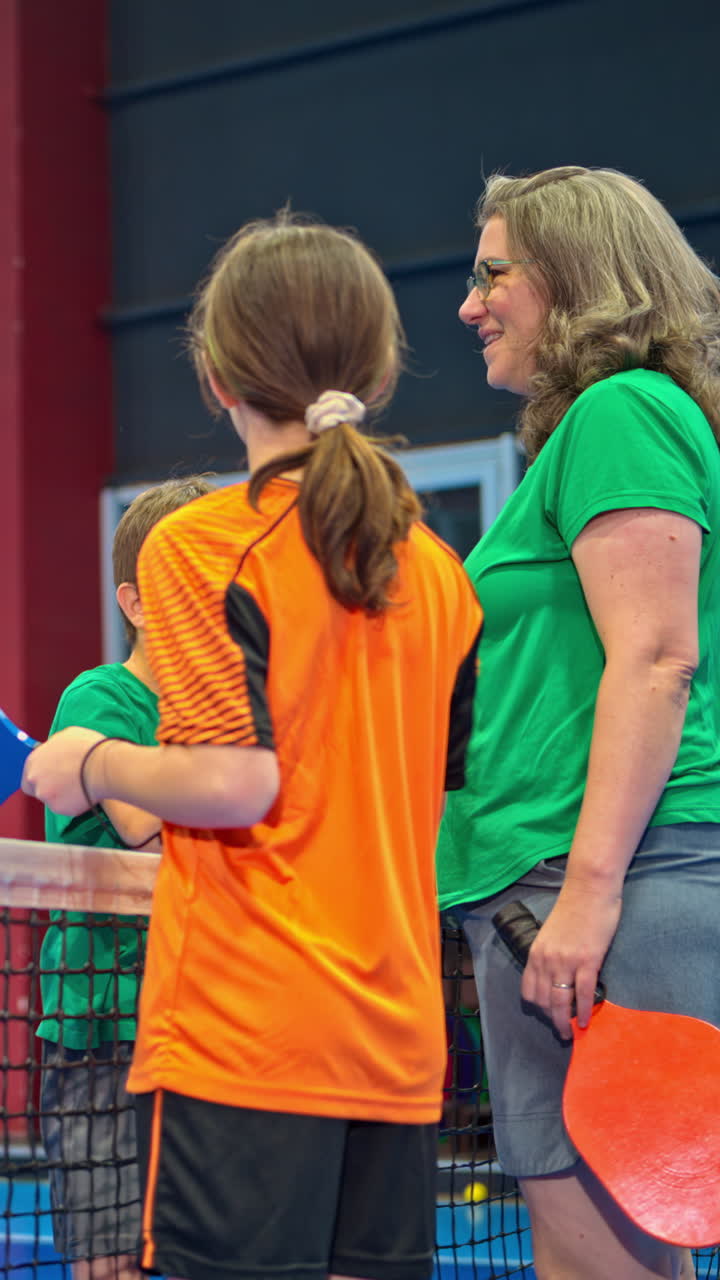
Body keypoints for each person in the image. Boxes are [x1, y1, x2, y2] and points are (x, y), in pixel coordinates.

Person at [24, 210, 484, 1280]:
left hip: (249, 1036)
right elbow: (435, 792)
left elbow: (235, 780)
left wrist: (82, 761)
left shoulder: (200, 542)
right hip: (398, 1035)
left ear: (215, 374)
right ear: (374, 367)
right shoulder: (440, 572)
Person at [436, 164, 720, 1280]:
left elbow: (655, 658)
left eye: (492, 271)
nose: (469, 303)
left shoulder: (622, 409)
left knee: (614, 1264)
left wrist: (591, 895)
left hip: (604, 888)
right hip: (549, 893)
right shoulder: (590, 435)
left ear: (580, 277)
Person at [37, 476, 213, 1280]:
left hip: (203, 1032)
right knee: (111, 1266)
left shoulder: (233, 713)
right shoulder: (101, 697)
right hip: (105, 1035)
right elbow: (148, 827)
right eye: (189, 582)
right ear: (136, 603)